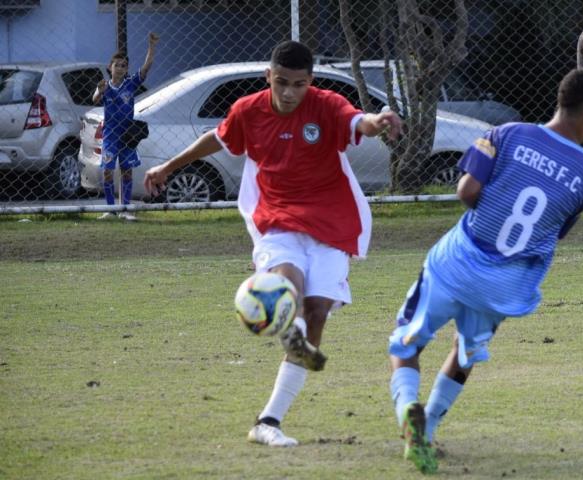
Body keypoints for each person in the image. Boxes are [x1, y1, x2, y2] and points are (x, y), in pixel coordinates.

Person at [143, 40, 402, 448]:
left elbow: (360, 123)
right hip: (276, 220)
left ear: (309, 82)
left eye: (298, 84)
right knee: (288, 287)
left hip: (331, 223)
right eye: (281, 82)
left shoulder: (327, 105)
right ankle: (291, 334)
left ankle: (268, 420)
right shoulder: (248, 110)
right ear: (268, 76)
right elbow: (219, 138)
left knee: (316, 311)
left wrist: (380, 119)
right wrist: (168, 165)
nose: (288, 93)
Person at [387, 69, 583, 474]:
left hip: (456, 263)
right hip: (504, 285)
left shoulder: (506, 134)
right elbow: (553, 231)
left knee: (404, 346)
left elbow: (467, 192)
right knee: (464, 352)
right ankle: (432, 427)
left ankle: (410, 414)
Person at [93, 32, 159, 221]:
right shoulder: (104, 85)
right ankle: (110, 209)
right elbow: (94, 99)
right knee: (107, 170)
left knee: (127, 170)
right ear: (110, 67)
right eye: (117, 65)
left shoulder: (131, 84)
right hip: (110, 136)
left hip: (127, 136)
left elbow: (146, 68)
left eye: (124, 66)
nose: (121, 68)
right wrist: (100, 91)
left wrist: (152, 47)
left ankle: (125, 209)